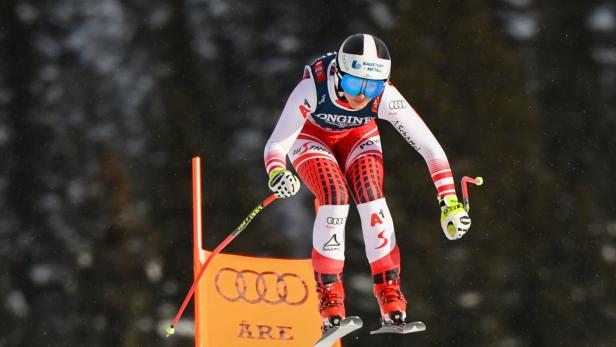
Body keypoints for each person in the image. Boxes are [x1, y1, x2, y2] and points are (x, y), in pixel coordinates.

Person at [263, 33, 471, 329]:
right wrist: (277, 171)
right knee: (334, 197)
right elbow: (276, 145)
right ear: (339, 74)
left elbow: (430, 148)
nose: (362, 95)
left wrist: (449, 201)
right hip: (311, 137)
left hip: (358, 136)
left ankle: (390, 293)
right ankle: (330, 298)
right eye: (353, 84)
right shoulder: (313, 88)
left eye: (372, 86)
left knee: (371, 194)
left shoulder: (385, 96)